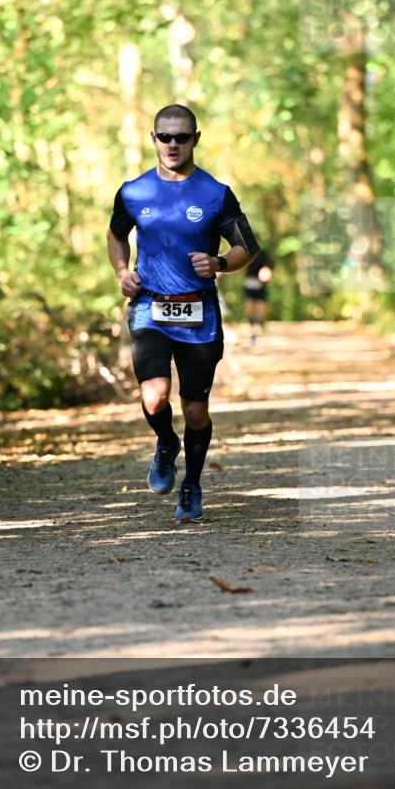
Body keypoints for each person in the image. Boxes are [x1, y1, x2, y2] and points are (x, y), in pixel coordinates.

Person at [106, 104, 259, 523]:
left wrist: (222, 263)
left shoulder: (215, 193)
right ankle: (165, 443)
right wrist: (122, 271)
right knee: (154, 398)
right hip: (149, 308)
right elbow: (116, 234)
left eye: (182, 137)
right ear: (153, 139)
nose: (173, 144)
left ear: (196, 139)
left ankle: (191, 483)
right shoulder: (133, 191)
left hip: (199, 312)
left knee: (195, 409)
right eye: (165, 136)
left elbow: (249, 245)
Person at [243, 248, 274, 346]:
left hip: (257, 281)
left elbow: (269, 268)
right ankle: (255, 325)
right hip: (252, 281)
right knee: (254, 303)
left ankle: (257, 324)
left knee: (256, 303)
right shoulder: (257, 252)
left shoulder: (248, 251)